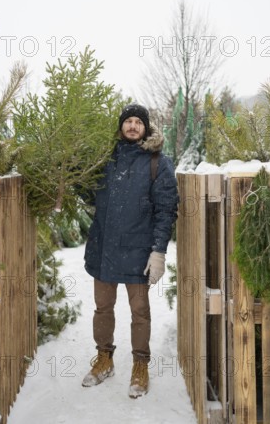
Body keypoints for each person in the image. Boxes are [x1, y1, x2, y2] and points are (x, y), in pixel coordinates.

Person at [82, 103, 179, 398]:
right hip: (103, 249)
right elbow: (87, 192)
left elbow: (166, 209)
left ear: (145, 127)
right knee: (102, 307)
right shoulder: (104, 159)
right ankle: (104, 359)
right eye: (128, 121)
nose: (133, 126)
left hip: (138, 251)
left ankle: (140, 365)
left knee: (140, 312)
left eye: (138, 121)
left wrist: (158, 251)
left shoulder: (157, 162)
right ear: (121, 126)